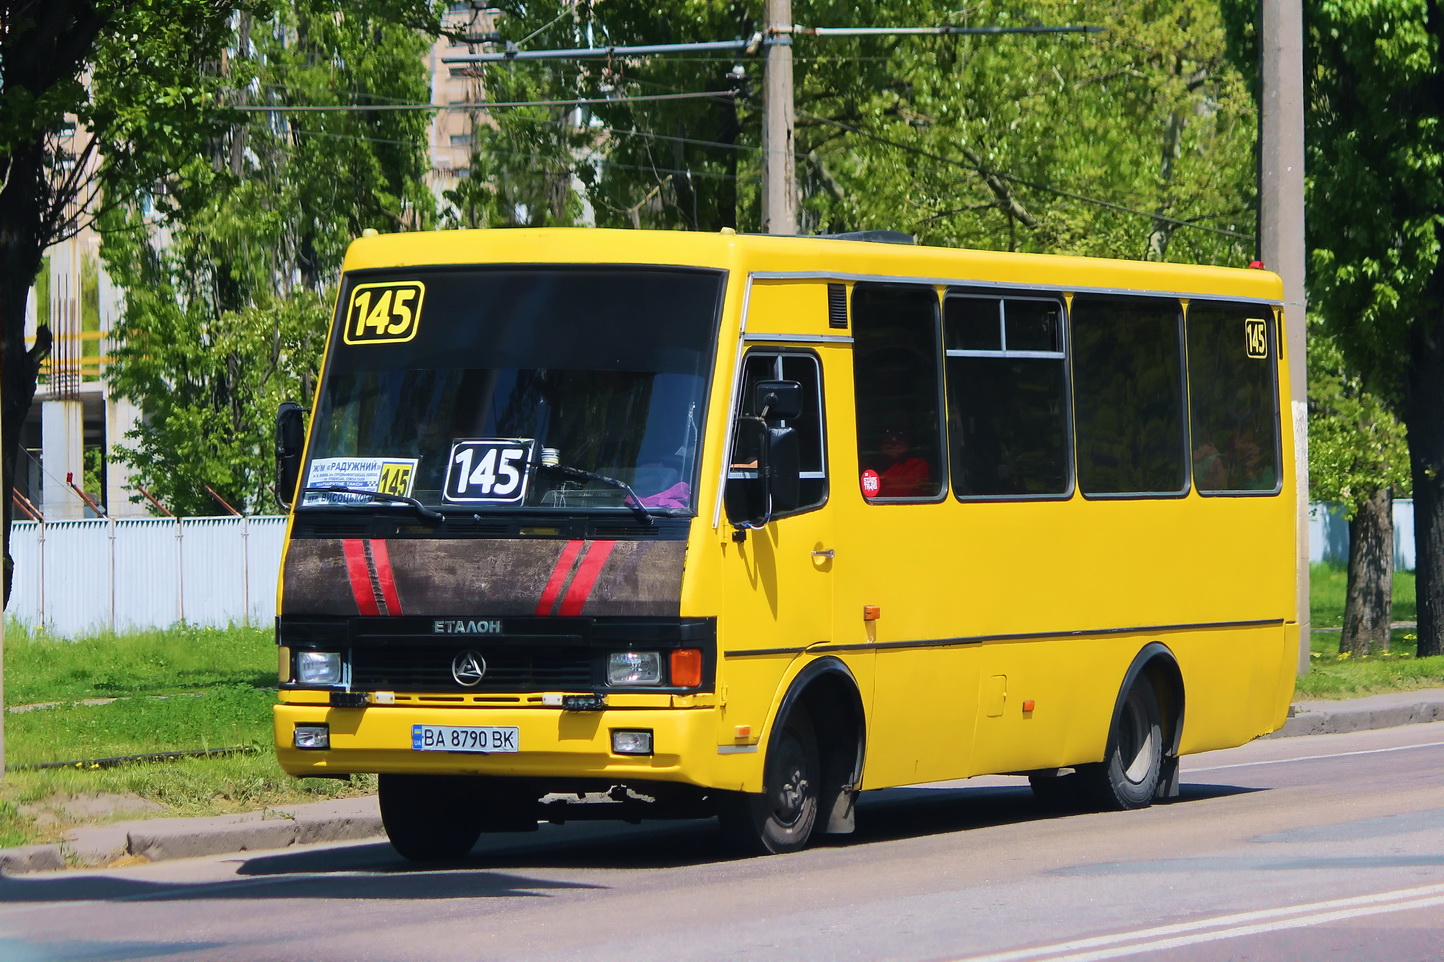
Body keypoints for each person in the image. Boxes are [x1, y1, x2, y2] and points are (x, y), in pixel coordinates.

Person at [874, 426, 934, 497]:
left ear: (908, 439)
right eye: (887, 432)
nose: (894, 440)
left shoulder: (918, 466)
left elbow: (899, 495)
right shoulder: (866, 466)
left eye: (900, 433)